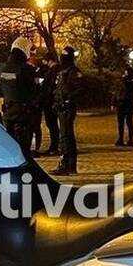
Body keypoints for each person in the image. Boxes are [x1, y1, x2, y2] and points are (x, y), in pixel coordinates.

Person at [0, 37, 37, 156]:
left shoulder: (3, 68)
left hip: (8, 111)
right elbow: (33, 91)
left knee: (10, 145)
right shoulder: (26, 69)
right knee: (24, 148)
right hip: (23, 113)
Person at [53, 47, 81, 175]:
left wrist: (68, 100)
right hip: (61, 106)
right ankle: (69, 165)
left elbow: (78, 89)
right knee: (65, 135)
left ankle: (67, 165)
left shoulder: (73, 71)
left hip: (67, 107)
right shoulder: (62, 71)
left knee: (66, 136)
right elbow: (59, 88)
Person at [37, 51, 60, 156]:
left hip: (49, 102)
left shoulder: (51, 72)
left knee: (52, 124)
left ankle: (54, 147)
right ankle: (56, 145)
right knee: (54, 125)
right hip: (56, 101)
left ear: (49, 60)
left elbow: (47, 88)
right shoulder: (59, 70)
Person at [114, 64, 133, 146]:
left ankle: (129, 140)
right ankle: (121, 139)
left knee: (128, 122)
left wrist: (124, 79)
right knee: (122, 123)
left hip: (127, 103)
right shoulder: (124, 82)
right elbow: (117, 92)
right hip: (122, 104)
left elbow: (127, 88)